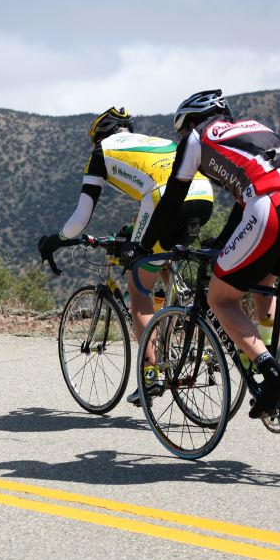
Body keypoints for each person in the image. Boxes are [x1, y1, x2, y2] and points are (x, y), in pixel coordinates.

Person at [120, 89, 280, 418]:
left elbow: (172, 198)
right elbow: (244, 198)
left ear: (189, 124)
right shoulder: (253, 128)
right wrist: (221, 240)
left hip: (272, 207)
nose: (181, 138)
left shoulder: (196, 138)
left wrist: (142, 246)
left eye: (181, 131)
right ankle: (277, 360)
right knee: (265, 283)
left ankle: (272, 375)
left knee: (221, 298)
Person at [37, 107, 214, 405]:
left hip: (163, 199)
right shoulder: (157, 142)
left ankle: (151, 372)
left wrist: (56, 240)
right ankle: (182, 329)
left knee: (138, 286)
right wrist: (133, 230)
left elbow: (81, 219)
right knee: (159, 258)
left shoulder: (100, 153)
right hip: (203, 195)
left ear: (99, 135)